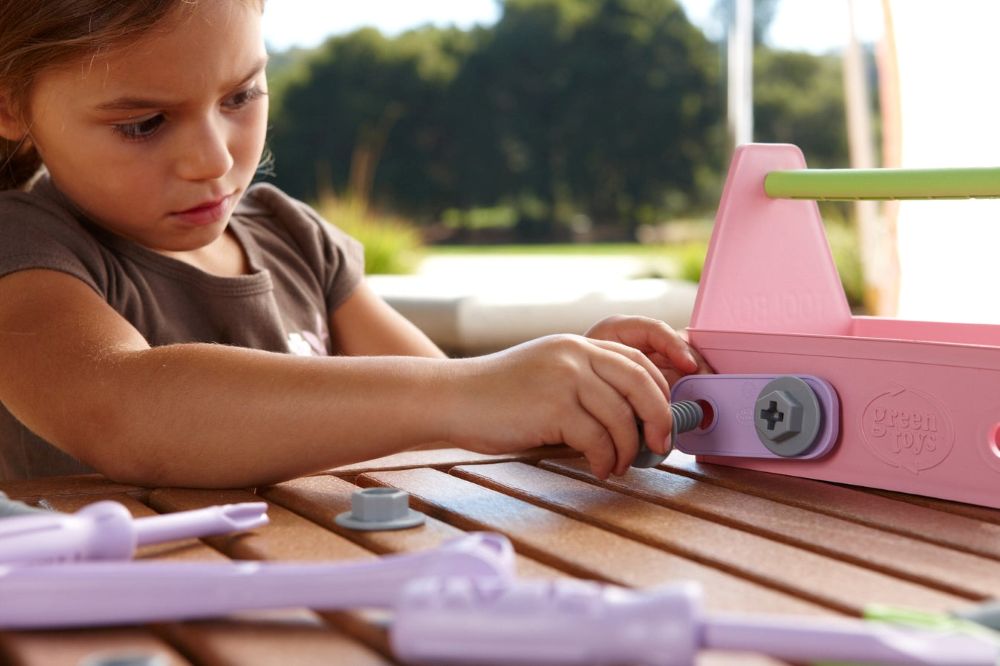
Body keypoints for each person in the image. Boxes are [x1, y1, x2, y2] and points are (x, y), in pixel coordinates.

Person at [0, 0, 708, 488]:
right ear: (10, 103)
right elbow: (120, 410)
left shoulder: (295, 239)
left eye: (240, 96)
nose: (213, 160)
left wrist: (570, 392)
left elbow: (454, 413)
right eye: (144, 123)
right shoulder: (24, 247)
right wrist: (473, 391)